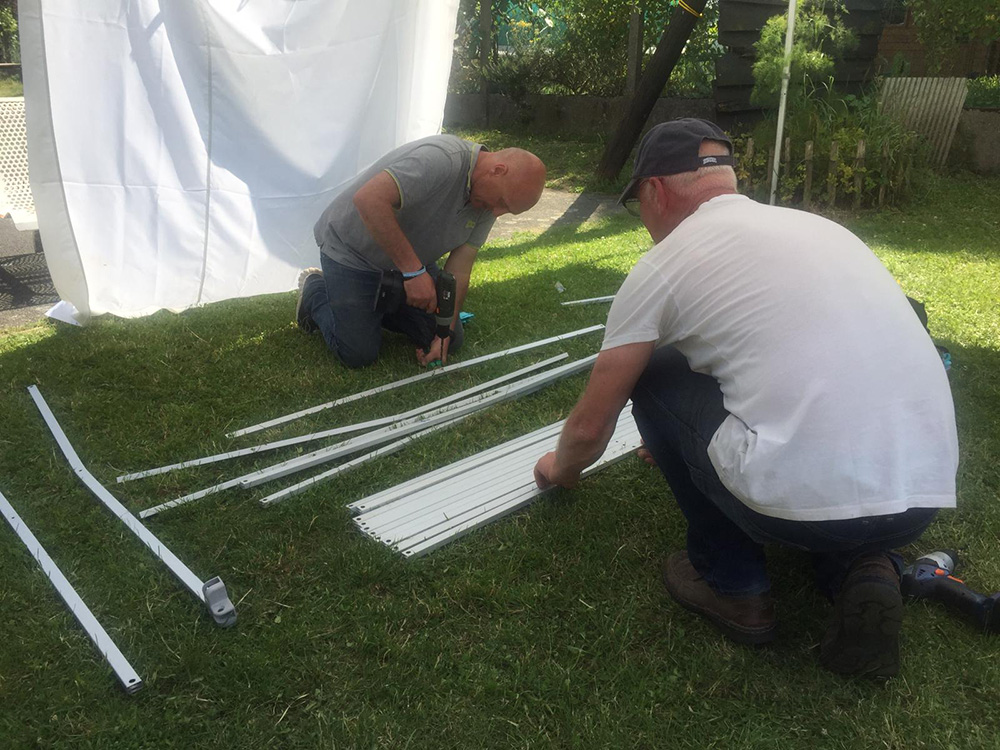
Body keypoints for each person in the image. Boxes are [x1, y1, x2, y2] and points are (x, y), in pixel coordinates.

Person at [532, 118, 958, 678]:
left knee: (653, 372)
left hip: (802, 511)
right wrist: (683, 440)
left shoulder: (666, 262)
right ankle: (862, 564)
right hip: (921, 495)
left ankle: (733, 584)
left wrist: (560, 467)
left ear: (654, 190)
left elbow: (592, 425)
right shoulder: (822, 229)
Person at [296, 134, 546, 368]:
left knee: (450, 340)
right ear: (497, 170)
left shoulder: (486, 203)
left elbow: (460, 269)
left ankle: (374, 307)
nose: (497, 212)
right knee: (358, 354)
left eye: (508, 211)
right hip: (353, 253)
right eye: (503, 203)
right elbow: (368, 199)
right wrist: (414, 273)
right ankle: (315, 290)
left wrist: (445, 331)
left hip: (408, 264)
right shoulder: (441, 159)